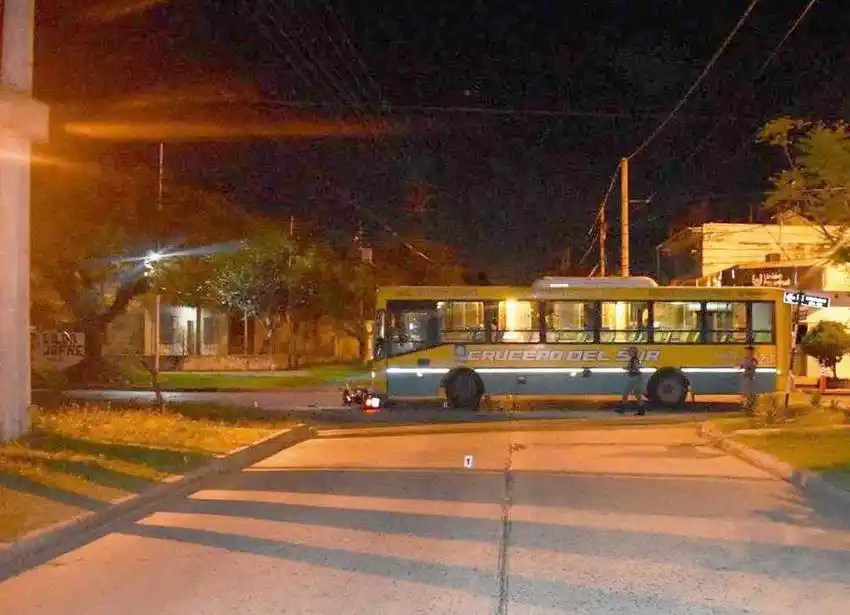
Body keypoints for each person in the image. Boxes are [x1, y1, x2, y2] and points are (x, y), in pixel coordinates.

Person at [619, 346, 646, 415]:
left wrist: (632, 368)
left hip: (636, 378)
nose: (628, 352)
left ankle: (623, 409)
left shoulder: (634, 359)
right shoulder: (633, 359)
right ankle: (641, 410)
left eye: (630, 351)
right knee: (634, 394)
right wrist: (627, 368)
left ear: (634, 352)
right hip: (634, 378)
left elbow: (637, 366)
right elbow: (634, 367)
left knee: (630, 393)